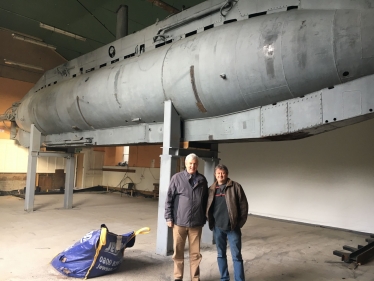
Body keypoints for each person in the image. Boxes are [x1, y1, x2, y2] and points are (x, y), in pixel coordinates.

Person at [164, 153, 208, 281]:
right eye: (190, 163)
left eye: (195, 164)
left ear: (197, 165)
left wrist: (204, 217)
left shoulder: (202, 180)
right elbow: (169, 199)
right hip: (179, 223)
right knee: (178, 252)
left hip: (196, 224)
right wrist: (168, 217)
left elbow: (205, 200)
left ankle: (195, 278)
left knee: (195, 254)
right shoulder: (177, 178)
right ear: (186, 164)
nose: (192, 166)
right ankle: (178, 277)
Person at [206, 164, 248, 281]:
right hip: (218, 228)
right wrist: (211, 222)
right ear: (215, 175)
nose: (220, 175)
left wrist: (238, 224)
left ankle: (239, 279)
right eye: (218, 173)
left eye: (223, 173)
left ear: (227, 174)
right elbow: (207, 206)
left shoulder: (236, 187)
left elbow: (244, 206)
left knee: (237, 256)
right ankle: (224, 278)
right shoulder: (211, 189)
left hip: (232, 228)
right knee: (220, 255)